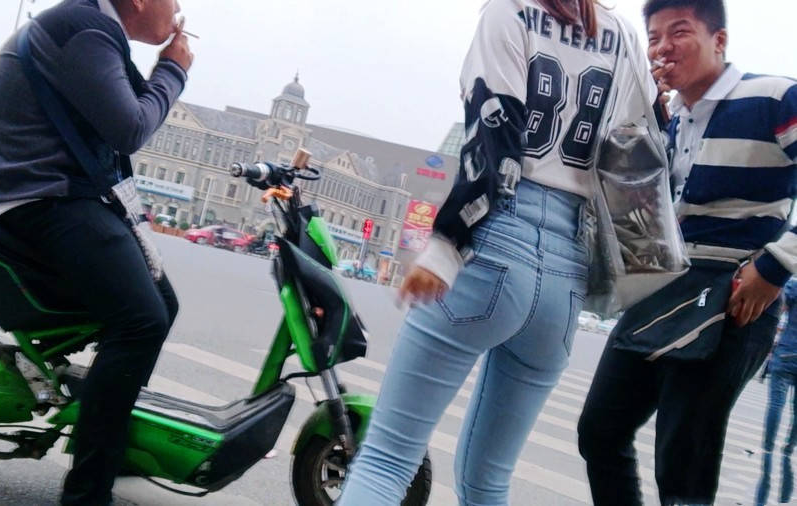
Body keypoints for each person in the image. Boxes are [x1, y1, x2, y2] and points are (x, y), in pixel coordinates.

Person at [338, 0, 656, 504]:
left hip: (496, 240)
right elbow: (640, 147)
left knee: (386, 459)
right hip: (567, 274)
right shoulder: (622, 35)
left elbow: (493, 139)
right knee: (487, 481)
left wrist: (445, 248)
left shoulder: (510, 12)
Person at [577, 1, 797, 504]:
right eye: (653, 37)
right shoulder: (669, 119)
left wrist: (776, 266)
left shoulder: (773, 96)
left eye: (679, 32)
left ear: (719, 40)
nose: (662, 48)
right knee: (600, 432)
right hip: (663, 288)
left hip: (735, 294)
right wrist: (641, 121)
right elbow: (638, 207)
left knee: (683, 465)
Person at [0, 0, 192, 504]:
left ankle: (107, 428)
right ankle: (87, 492)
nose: (179, 8)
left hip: (65, 192)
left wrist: (163, 70)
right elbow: (131, 128)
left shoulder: (96, 33)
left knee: (161, 306)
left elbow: (130, 107)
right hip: (44, 195)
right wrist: (174, 71)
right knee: (141, 322)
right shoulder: (85, 29)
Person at [756, 278, 797, 506]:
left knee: (776, 403)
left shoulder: (794, 285)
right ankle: (789, 447)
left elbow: (780, 306)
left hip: (787, 351)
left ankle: (768, 446)